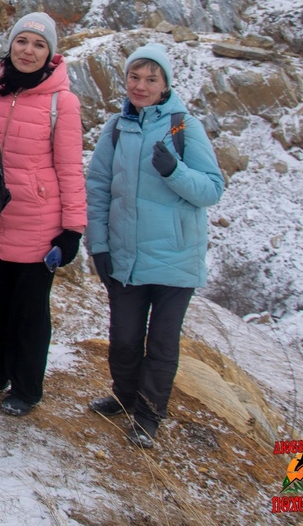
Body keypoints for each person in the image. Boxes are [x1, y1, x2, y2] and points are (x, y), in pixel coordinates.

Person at [85, 43, 223, 448]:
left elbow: (212, 189)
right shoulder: (116, 127)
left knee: (162, 343)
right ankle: (124, 397)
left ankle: (148, 415)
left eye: (151, 79)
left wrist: (175, 171)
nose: (141, 86)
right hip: (126, 256)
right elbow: (97, 188)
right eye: (134, 77)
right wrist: (99, 246)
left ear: (165, 85)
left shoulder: (184, 127)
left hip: (176, 260)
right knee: (124, 337)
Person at [0, 13, 87, 417]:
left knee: (29, 313)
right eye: (22, 42)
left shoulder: (60, 102)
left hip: (37, 224)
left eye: (38, 45)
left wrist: (72, 230)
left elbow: (70, 168)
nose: (28, 51)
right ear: (10, 45)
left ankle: (26, 387)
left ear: (50, 54)